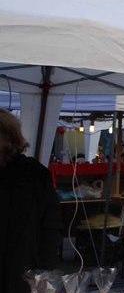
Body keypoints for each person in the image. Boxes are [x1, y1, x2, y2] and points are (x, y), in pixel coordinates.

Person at [0, 109, 62, 293]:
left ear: (7, 138)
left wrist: (43, 272)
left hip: (22, 272)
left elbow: (51, 225)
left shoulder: (34, 174)